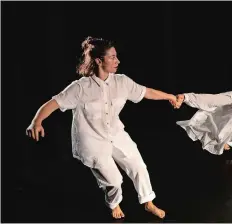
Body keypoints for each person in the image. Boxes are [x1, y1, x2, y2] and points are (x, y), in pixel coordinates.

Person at [25, 36, 176, 219]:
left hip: (115, 133)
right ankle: (114, 204)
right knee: (114, 181)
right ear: (99, 60)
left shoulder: (121, 81)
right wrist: (36, 122)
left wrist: (169, 96)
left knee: (138, 165)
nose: (117, 61)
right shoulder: (81, 87)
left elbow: (145, 92)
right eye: (112, 57)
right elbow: (54, 103)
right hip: (92, 140)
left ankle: (148, 202)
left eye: (116, 56)